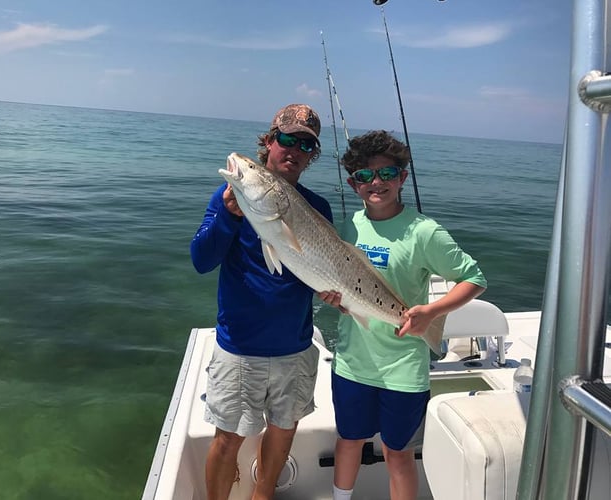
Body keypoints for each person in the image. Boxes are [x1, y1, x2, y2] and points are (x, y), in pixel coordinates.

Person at [319, 130, 487, 500]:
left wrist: (432, 311)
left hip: (404, 368)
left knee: (398, 453)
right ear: (352, 183)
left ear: (402, 177)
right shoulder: (347, 229)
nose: (375, 183)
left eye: (386, 174)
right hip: (352, 363)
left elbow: (474, 279)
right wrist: (333, 297)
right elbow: (337, 287)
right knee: (349, 441)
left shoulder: (424, 232)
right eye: (364, 176)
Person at [190, 104, 333, 500]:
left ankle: (262, 496)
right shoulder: (229, 197)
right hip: (241, 348)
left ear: (311, 155)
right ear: (269, 141)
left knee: (283, 432)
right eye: (286, 138)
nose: (294, 149)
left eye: (305, 144)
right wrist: (229, 218)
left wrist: (333, 291)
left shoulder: (318, 207)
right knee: (227, 440)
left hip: (296, 346)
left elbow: (313, 273)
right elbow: (202, 260)